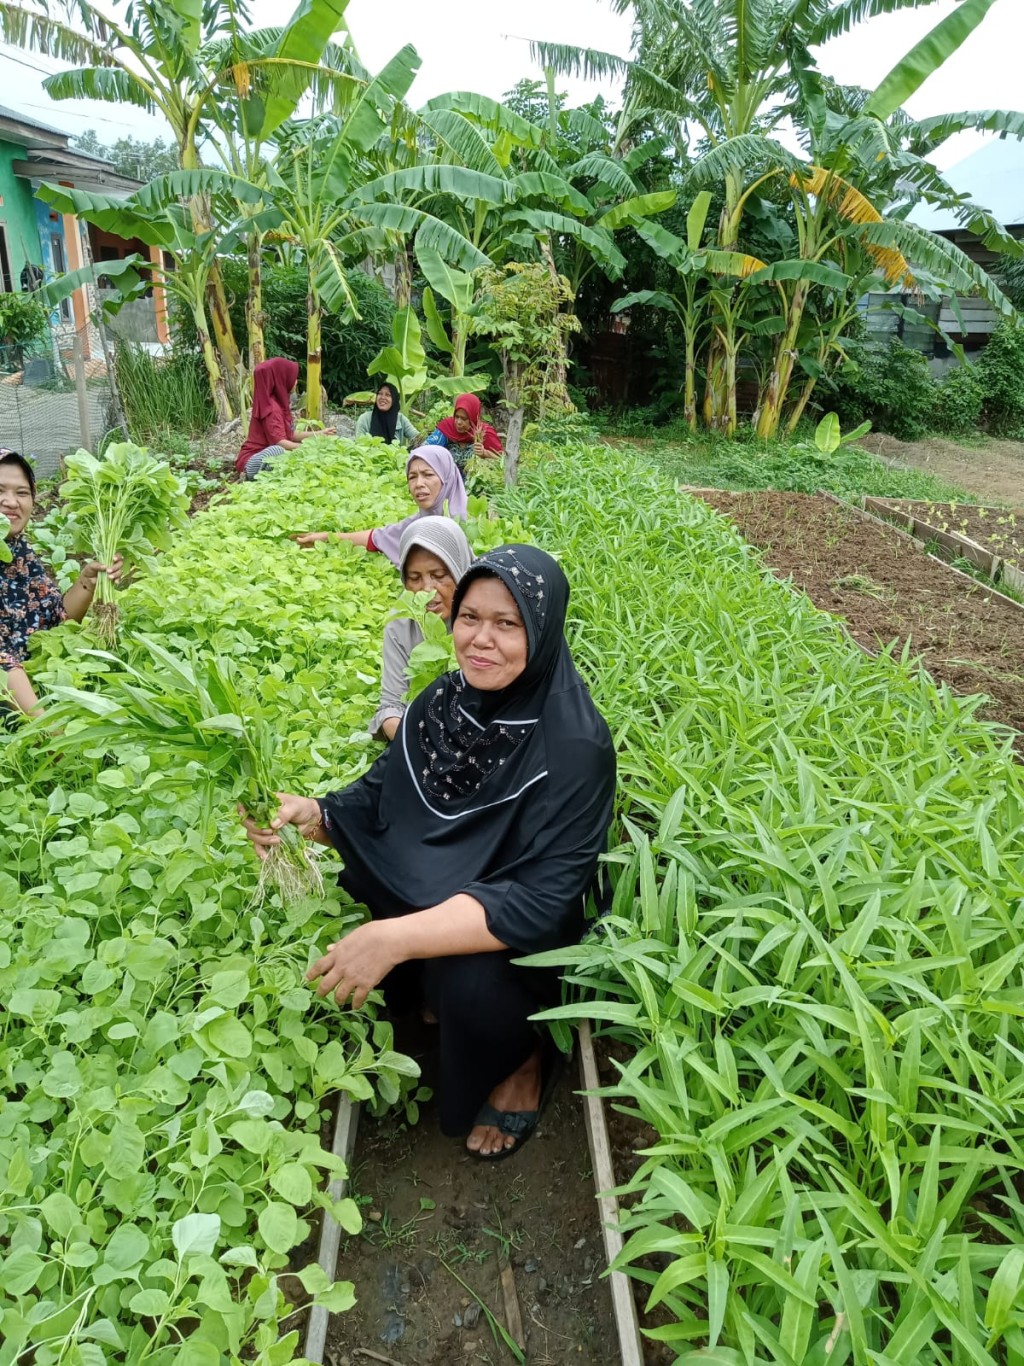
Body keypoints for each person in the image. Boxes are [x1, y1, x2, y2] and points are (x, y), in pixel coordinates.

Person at [243, 546, 616, 1161]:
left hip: (516, 930)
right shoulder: (443, 700)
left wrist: (395, 938)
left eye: (507, 623)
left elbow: (541, 900)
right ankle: (426, 986)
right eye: (470, 617)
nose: (481, 639)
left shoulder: (575, 745)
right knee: (367, 882)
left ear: (543, 630)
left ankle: (522, 1063)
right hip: (439, 885)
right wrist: (313, 814)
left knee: (468, 984)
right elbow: (380, 794)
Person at [1, 450, 122, 715]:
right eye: (0, 491)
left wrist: (87, 582)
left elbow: (54, 618)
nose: (11, 502)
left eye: (22, 493)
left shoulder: (20, 554)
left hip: (31, 686)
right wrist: (48, 728)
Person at [370, 517, 474, 742]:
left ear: (460, 569)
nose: (427, 590)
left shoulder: (487, 618)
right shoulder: (401, 623)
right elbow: (392, 705)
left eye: (439, 576)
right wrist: (419, 746)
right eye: (414, 578)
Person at [294, 447, 467, 569]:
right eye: (412, 477)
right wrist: (325, 537)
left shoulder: (469, 523)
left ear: (447, 478)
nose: (418, 484)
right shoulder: (419, 524)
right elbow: (378, 538)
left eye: (428, 474)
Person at [234, 358, 334, 479]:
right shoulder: (271, 409)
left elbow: (290, 434)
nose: (296, 382)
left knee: (288, 452)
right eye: (293, 378)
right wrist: (307, 448)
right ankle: (249, 475)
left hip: (267, 458)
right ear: (281, 379)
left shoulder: (278, 404)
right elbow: (280, 443)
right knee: (278, 451)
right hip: (251, 462)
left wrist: (319, 434)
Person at [424, 393, 502, 471]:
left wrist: (484, 453)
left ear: (473, 418)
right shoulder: (447, 427)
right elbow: (425, 450)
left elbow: (502, 461)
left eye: (464, 419)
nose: (459, 422)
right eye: (456, 417)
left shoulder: (484, 432)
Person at [355, 382, 418, 447]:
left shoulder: (401, 419)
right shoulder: (365, 419)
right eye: (380, 394)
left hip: (395, 453)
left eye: (388, 395)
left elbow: (417, 438)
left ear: (394, 399)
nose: (383, 397)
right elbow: (359, 445)